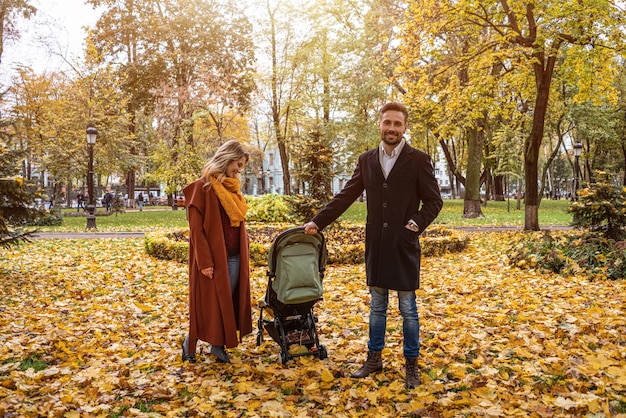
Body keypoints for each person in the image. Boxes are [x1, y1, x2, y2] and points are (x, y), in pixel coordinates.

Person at [303, 102, 443, 388]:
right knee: (377, 307)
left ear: (405, 128)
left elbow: (434, 201)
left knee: (408, 310)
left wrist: (414, 225)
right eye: (387, 123)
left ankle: (411, 364)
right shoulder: (367, 159)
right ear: (379, 124)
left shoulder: (419, 160)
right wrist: (318, 222)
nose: (391, 128)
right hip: (377, 246)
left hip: (403, 245)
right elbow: (345, 196)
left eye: (397, 124)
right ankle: (374, 358)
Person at [181, 140, 253, 364]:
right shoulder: (201, 188)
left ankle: (217, 346)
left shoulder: (232, 189)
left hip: (233, 256)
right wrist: (204, 262)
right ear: (227, 158)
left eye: (242, 166)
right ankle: (189, 341)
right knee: (208, 304)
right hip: (212, 259)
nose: (239, 170)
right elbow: (196, 231)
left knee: (227, 302)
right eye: (238, 164)